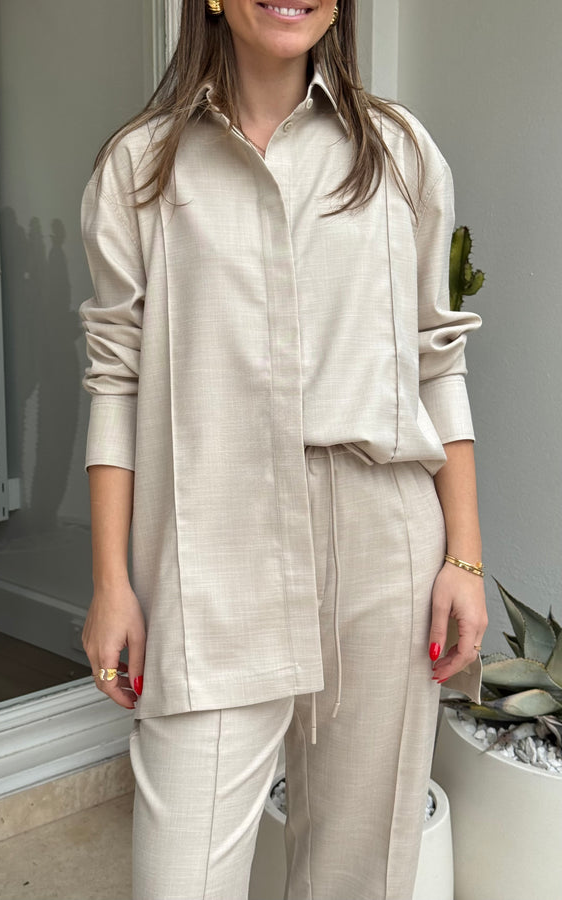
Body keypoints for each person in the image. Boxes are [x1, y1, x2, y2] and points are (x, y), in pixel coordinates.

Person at [79, 1, 488, 898]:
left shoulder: (400, 153)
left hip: (382, 538)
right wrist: (113, 581)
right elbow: (117, 378)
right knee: (179, 877)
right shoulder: (141, 168)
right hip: (209, 538)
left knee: (357, 872)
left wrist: (463, 554)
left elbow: (437, 361)